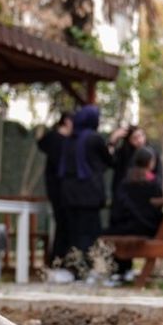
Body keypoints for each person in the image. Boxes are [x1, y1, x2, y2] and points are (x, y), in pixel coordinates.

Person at [57, 104, 114, 277]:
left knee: (73, 232)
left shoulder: (69, 140)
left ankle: (74, 269)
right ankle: (88, 270)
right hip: (89, 195)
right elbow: (108, 161)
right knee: (89, 232)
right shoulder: (93, 139)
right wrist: (112, 141)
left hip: (68, 194)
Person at [106, 146, 163, 281]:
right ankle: (126, 271)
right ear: (151, 162)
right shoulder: (154, 183)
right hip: (148, 227)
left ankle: (118, 271)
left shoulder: (125, 181)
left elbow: (118, 208)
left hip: (124, 226)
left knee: (111, 233)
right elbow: (158, 208)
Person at [37, 111, 74, 274]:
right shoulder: (60, 142)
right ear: (67, 122)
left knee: (62, 225)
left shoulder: (53, 139)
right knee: (63, 225)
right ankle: (58, 262)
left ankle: (58, 261)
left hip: (58, 190)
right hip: (60, 190)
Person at [109, 124, 156, 198]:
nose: (139, 140)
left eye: (141, 136)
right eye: (135, 138)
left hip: (145, 197)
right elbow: (109, 160)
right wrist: (113, 140)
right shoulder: (123, 154)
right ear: (129, 141)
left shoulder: (152, 153)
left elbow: (156, 176)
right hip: (123, 198)